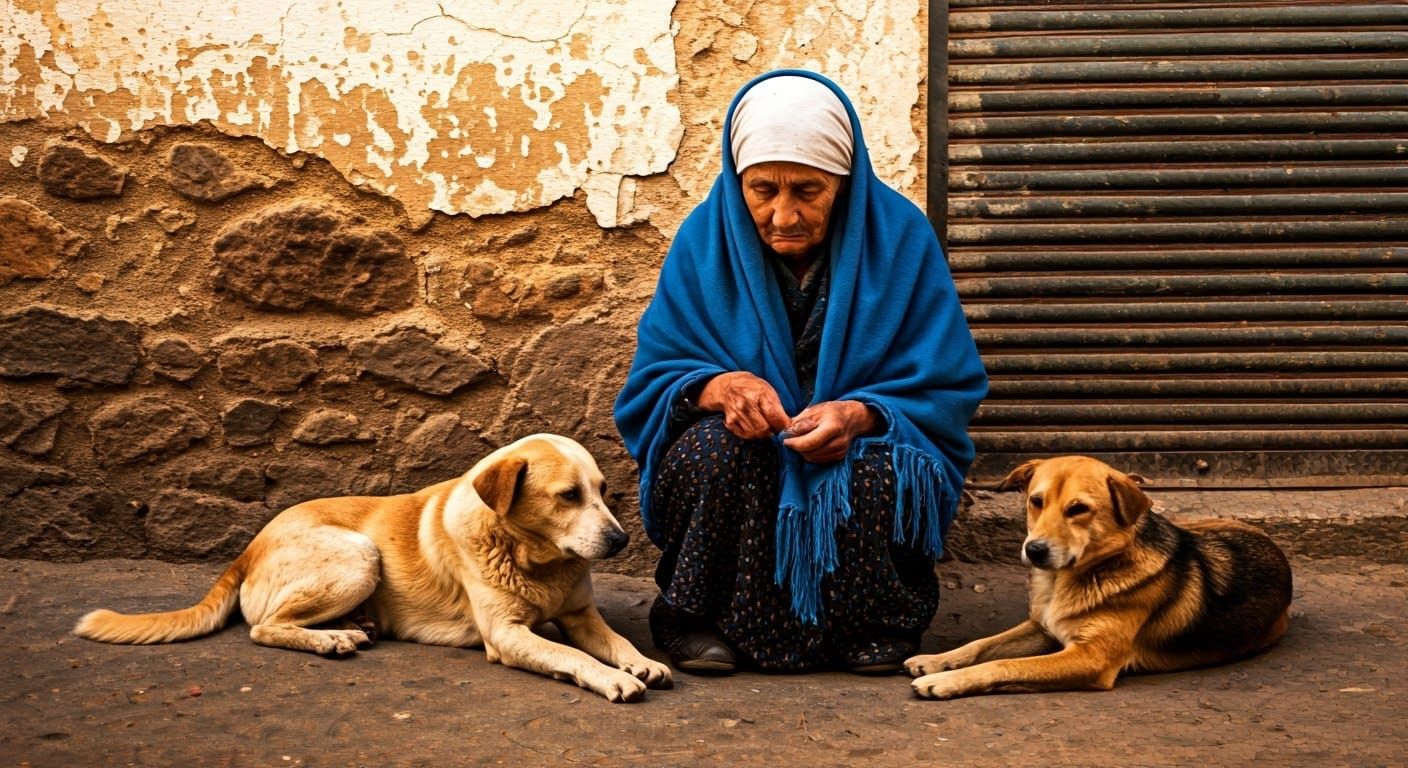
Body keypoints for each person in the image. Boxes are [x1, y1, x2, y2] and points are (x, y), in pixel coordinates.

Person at [613, 70, 988, 675]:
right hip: (747, 443)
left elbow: (947, 380)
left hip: (857, 439)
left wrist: (863, 413)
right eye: (762, 190)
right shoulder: (701, 244)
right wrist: (719, 387)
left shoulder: (901, 240)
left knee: (877, 462)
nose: (783, 214)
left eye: (807, 191)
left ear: (845, 182)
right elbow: (655, 376)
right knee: (717, 451)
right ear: (739, 185)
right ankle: (698, 620)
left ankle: (874, 624)